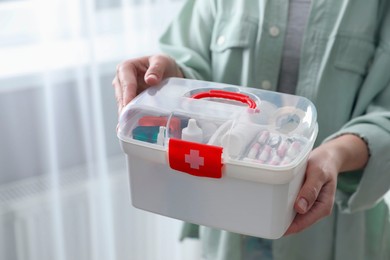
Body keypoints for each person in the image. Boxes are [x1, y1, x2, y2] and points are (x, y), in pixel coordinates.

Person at [113, 0, 390, 259]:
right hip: (223, 216)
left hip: (331, 235)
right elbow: (192, 63)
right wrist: (171, 80)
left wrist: (334, 154)